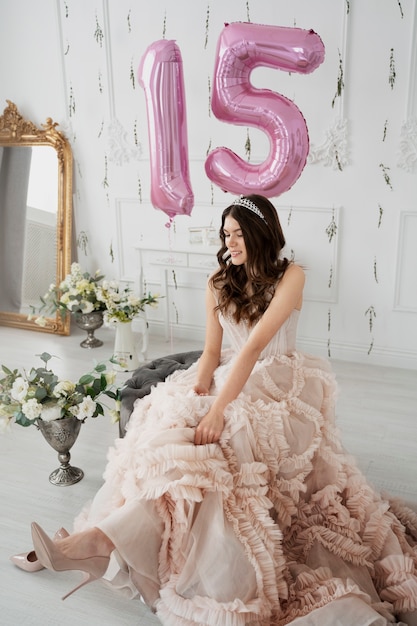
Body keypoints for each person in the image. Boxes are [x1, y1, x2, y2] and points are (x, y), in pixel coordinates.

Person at [23, 195, 417, 624]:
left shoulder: (292, 276)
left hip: (278, 381)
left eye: (238, 233)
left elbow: (253, 349)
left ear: (262, 233)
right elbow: (213, 352)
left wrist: (218, 410)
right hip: (226, 372)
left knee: (226, 435)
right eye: (226, 234)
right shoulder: (217, 280)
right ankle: (99, 539)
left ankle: (99, 544)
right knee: (172, 432)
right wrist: (197, 393)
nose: (231, 242)